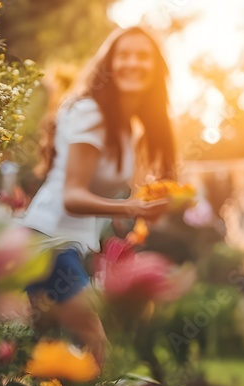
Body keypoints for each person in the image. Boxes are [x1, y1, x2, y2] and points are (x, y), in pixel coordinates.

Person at [21, 27, 174, 365]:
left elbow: (126, 198)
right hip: (46, 240)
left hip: (70, 245)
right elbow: (72, 197)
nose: (133, 63)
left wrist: (149, 207)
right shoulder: (91, 112)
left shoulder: (127, 127)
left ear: (155, 68)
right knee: (93, 344)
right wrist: (131, 207)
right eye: (124, 55)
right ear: (109, 64)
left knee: (33, 349)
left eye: (142, 56)